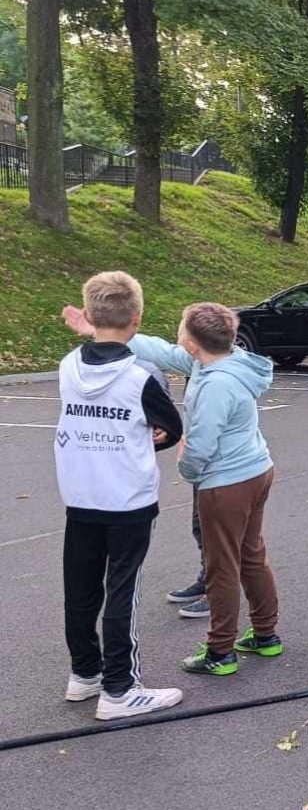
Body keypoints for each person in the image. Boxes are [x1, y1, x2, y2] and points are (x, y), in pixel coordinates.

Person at [70, 301, 283, 676]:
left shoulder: (216, 383)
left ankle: (220, 651)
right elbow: (159, 351)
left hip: (227, 483)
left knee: (223, 567)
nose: (177, 336)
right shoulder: (218, 360)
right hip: (255, 470)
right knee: (250, 554)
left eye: (181, 329)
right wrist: (100, 333)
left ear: (193, 341)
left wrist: (186, 469)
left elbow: (200, 445)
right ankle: (266, 635)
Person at [55, 273, 187, 720]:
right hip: (127, 499)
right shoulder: (141, 376)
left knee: (81, 587)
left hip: (81, 492)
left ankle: (84, 672)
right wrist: (147, 437)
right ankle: (119, 687)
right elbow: (172, 428)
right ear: (138, 318)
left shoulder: (69, 365)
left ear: (89, 317)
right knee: (121, 591)